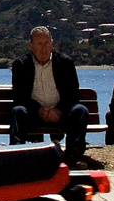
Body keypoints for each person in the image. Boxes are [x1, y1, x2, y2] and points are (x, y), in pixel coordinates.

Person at [9, 27, 91, 164]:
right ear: (31, 46)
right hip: (33, 114)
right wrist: (38, 110)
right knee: (17, 111)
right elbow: (19, 96)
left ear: (52, 44)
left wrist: (59, 110)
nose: (44, 48)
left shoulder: (65, 63)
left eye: (47, 43)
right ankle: (17, 156)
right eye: (39, 43)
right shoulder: (21, 64)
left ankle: (74, 154)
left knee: (81, 110)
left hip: (61, 112)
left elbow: (73, 95)